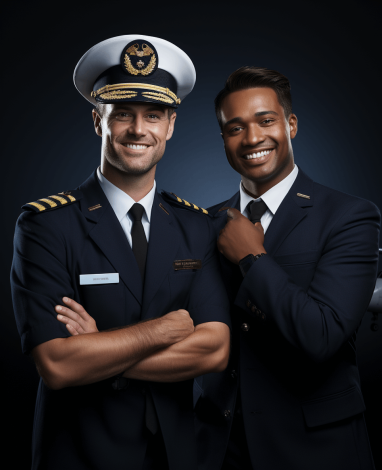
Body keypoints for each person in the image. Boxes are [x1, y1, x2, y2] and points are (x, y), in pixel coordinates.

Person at [10, 35, 230, 470]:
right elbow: (57, 364)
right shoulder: (46, 225)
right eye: (122, 114)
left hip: (174, 455)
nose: (137, 129)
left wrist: (99, 348)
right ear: (98, 121)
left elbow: (214, 349)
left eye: (153, 115)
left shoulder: (194, 225)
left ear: (169, 126)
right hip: (80, 455)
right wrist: (161, 331)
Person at [194, 66, 380, 470]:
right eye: (235, 128)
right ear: (223, 139)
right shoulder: (202, 225)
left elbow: (322, 335)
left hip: (316, 451)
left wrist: (252, 258)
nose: (253, 138)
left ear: (290, 124)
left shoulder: (349, 216)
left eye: (266, 120)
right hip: (220, 449)